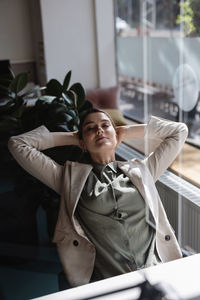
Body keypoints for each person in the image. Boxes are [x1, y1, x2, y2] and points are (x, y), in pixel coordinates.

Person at [8, 108, 188, 287]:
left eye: (105, 125)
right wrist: (72, 137)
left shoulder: (143, 171)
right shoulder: (70, 180)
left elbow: (179, 131)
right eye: (90, 128)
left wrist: (126, 131)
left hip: (157, 274)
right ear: (82, 142)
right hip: (111, 285)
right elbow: (18, 144)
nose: (99, 130)